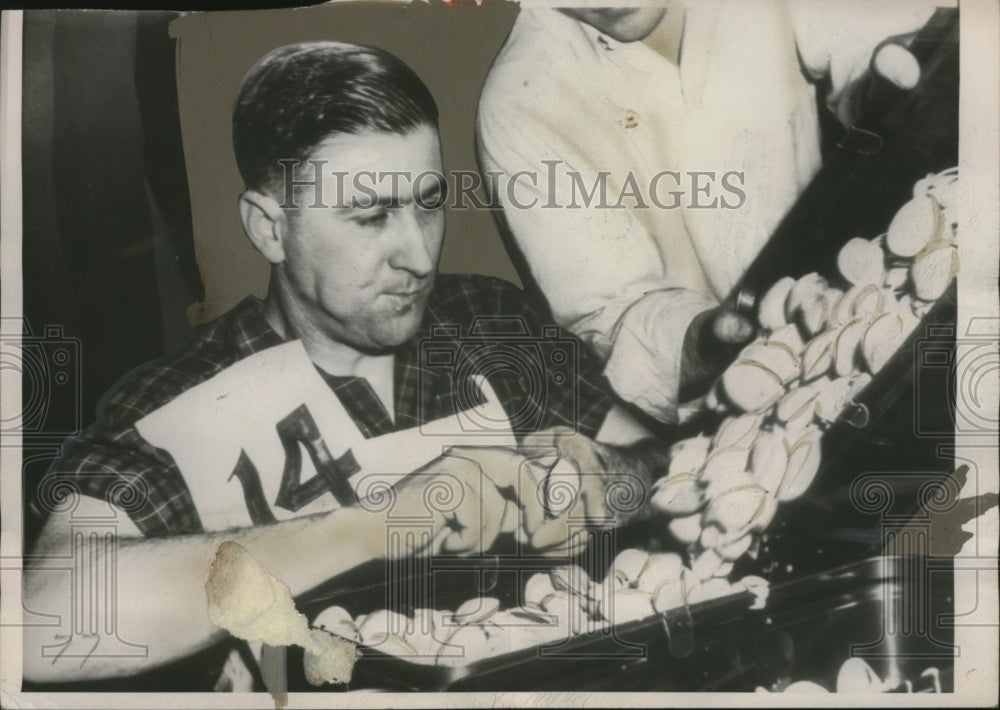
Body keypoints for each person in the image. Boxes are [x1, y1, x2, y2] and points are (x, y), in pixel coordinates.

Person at [22, 40, 673, 685]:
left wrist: (602, 479)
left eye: (427, 202)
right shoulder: (179, 406)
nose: (418, 255)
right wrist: (379, 524)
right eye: (370, 217)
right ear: (269, 228)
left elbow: (659, 465)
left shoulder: (483, 318)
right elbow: (41, 622)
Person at [476, 1, 939, 424]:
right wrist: (705, 340)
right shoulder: (517, 103)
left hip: (895, 286)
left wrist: (883, 87)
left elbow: (874, 40)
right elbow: (611, 315)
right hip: (755, 414)